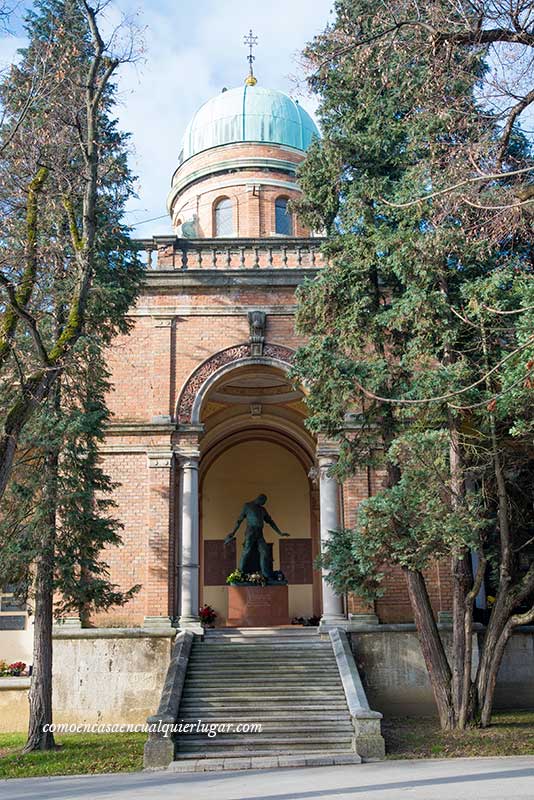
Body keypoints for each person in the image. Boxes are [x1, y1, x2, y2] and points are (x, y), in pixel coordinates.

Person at [224, 494, 289, 581]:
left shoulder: (262, 509)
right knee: (246, 551)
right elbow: (239, 520)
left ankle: (265, 574)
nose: (263, 504)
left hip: (259, 533)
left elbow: (270, 522)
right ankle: (239, 574)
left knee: (265, 551)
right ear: (259, 499)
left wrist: (280, 533)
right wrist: (233, 532)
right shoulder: (247, 506)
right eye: (263, 502)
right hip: (251, 532)